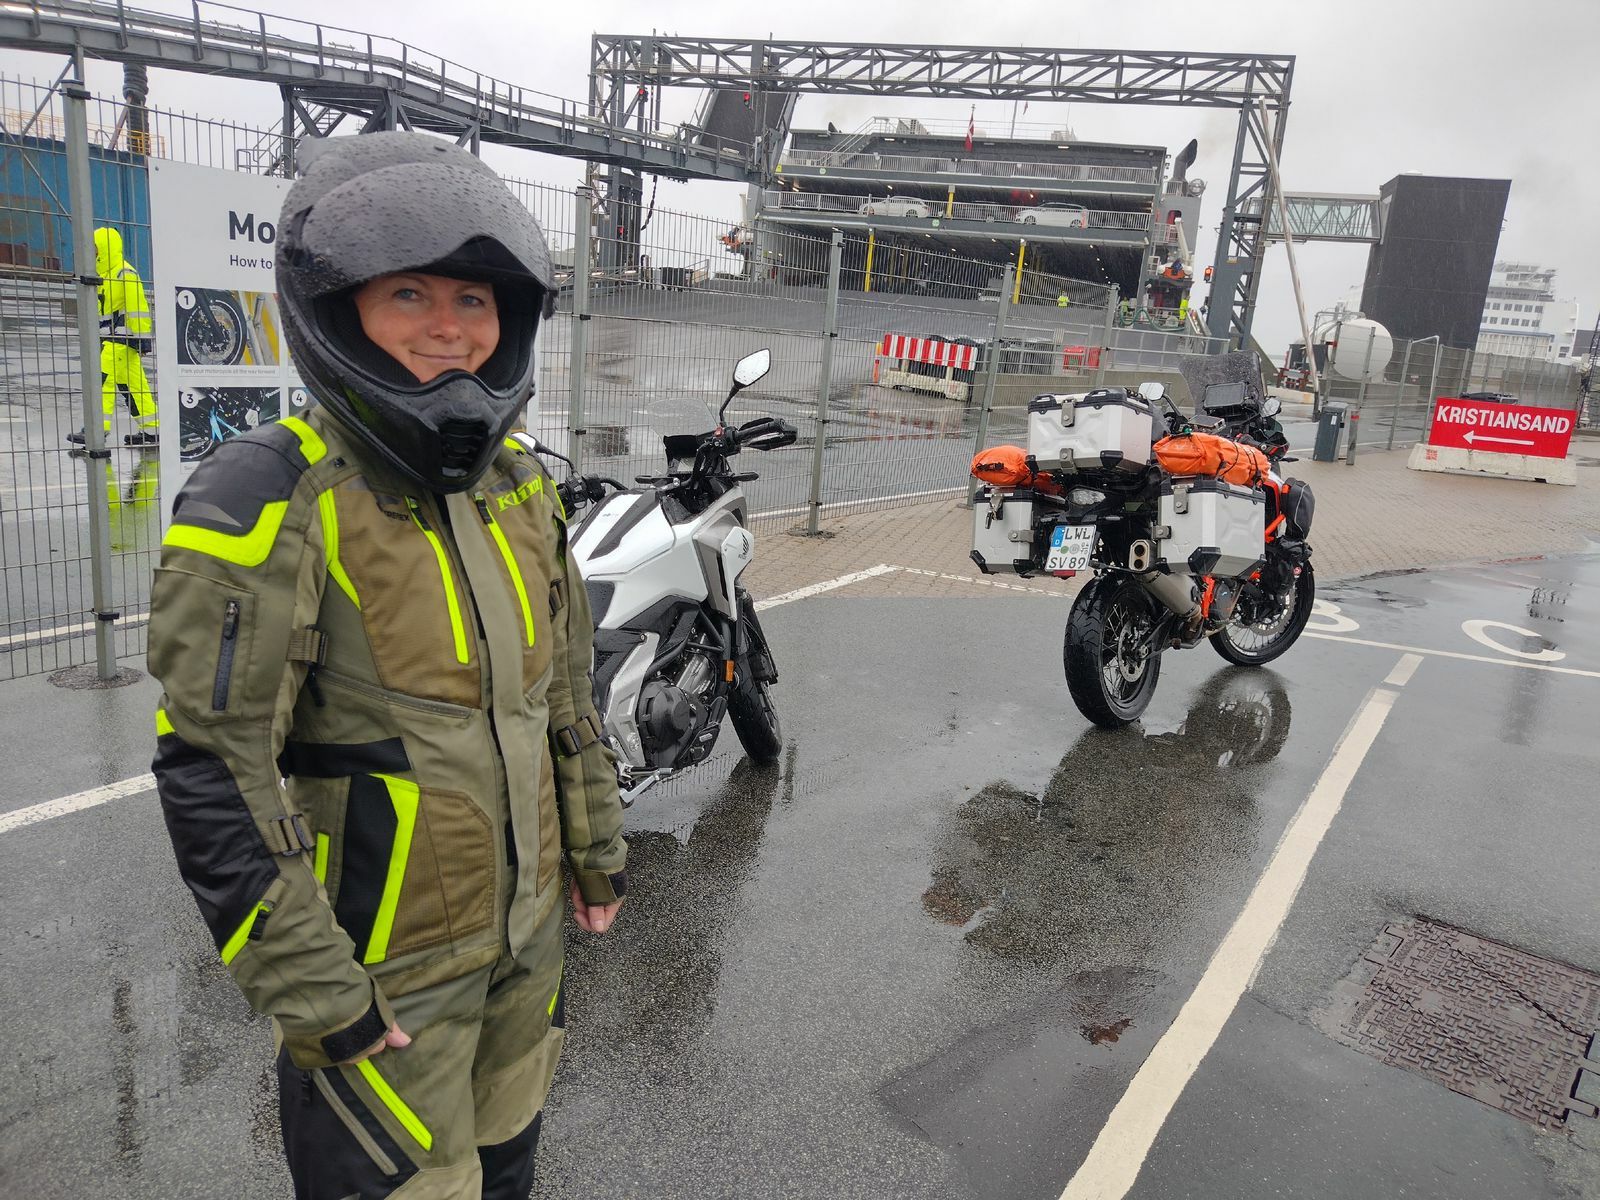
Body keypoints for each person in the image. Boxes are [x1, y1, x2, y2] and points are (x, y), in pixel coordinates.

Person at [147, 132, 627, 1199]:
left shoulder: (519, 487)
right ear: (338, 309)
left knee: (507, 1172)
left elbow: (564, 698)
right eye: (408, 293)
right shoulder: (274, 493)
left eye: (473, 299)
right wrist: (315, 990)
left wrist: (595, 848)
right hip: (380, 979)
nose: (448, 328)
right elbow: (214, 770)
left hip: (525, 948)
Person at [68, 226, 157, 446]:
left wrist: (142, 340)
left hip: (121, 339)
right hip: (114, 340)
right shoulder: (103, 275)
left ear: (105, 248)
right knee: (134, 386)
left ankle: (97, 430)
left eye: (95, 248)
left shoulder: (124, 273)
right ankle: (153, 430)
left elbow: (138, 307)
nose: (93, 252)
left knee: (103, 380)